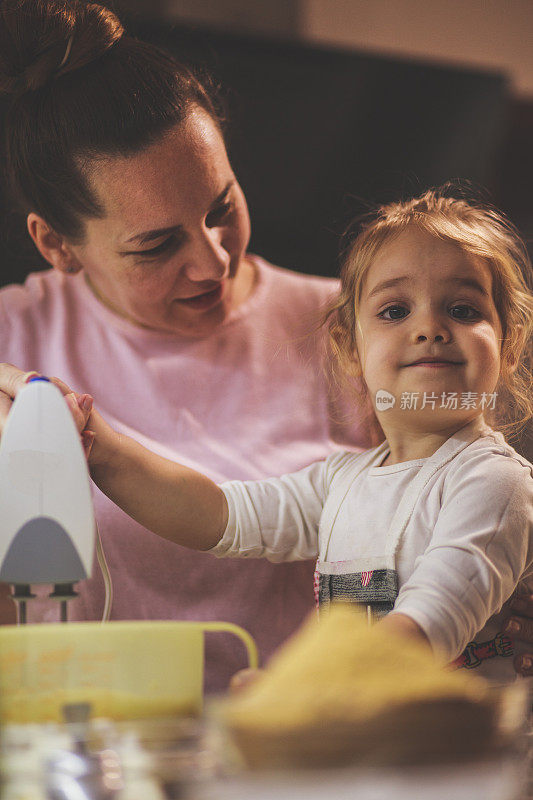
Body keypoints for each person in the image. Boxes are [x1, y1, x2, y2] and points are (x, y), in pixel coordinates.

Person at [0, 0, 373, 692]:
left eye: (221, 208)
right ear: (57, 245)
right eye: (157, 245)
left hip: (309, 742)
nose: (214, 262)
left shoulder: (359, 327)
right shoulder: (16, 339)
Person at [25, 188, 533, 683]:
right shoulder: (343, 480)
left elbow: (430, 622)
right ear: (349, 349)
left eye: (464, 310)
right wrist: (97, 445)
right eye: (395, 311)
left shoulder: (493, 483)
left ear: (510, 345)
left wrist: (292, 691)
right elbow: (217, 515)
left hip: (466, 757)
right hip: (374, 742)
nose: (430, 328)